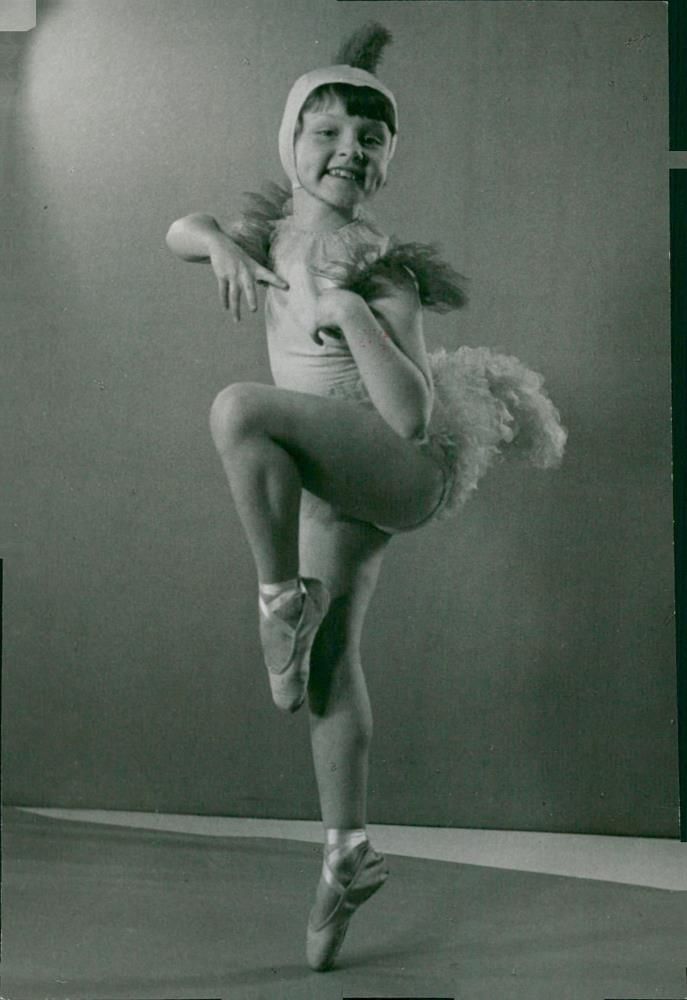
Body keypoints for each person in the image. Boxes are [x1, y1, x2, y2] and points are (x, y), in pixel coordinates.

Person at [166, 23, 566, 972]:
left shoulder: (379, 269)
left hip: (394, 467)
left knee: (238, 410)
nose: (349, 151)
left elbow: (412, 413)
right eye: (327, 132)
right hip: (327, 485)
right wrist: (218, 241)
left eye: (370, 139)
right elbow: (173, 230)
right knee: (324, 672)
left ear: (387, 164)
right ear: (290, 145)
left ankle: (277, 599)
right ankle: (345, 854)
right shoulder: (270, 235)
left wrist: (347, 310)